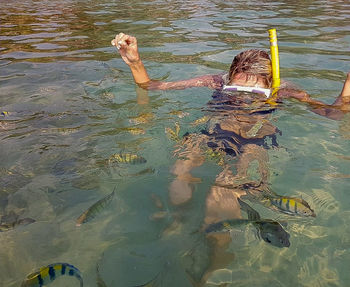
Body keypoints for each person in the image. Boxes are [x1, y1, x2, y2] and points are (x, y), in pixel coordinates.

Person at [111, 32, 350, 284]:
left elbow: (331, 114)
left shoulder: (285, 91)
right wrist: (135, 62)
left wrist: (348, 86)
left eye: (255, 94)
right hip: (212, 134)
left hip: (254, 142)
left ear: (270, 84)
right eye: (236, 90)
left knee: (221, 192)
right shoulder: (215, 81)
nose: (244, 99)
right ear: (228, 78)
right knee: (179, 169)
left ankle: (216, 264)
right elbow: (153, 86)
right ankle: (179, 222)